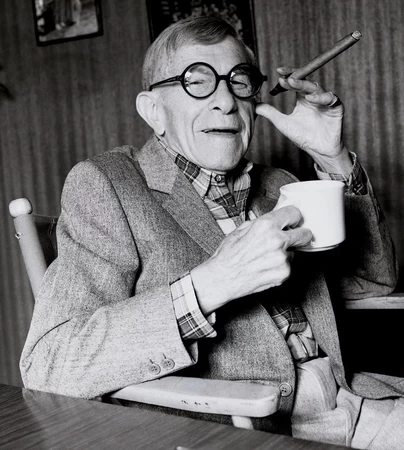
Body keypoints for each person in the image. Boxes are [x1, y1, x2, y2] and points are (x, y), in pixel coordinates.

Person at [20, 16, 403, 449]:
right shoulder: (108, 184)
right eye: (196, 81)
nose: (225, 101)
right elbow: (50, 364)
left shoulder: (279, 186)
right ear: (153, 111)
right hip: (248, 427)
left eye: (239, 81)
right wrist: (211, 284)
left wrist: (332, 158)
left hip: (351, 398)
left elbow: (375, 281)